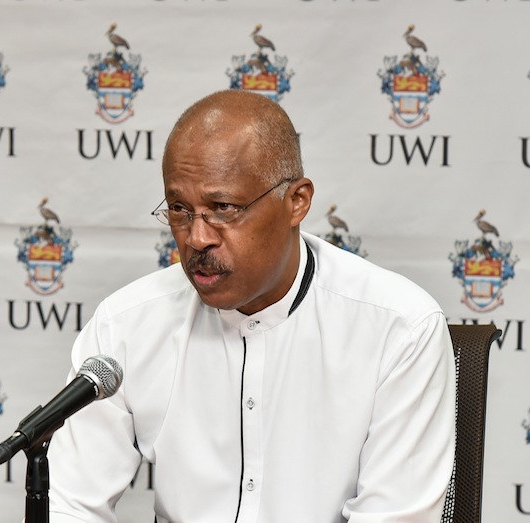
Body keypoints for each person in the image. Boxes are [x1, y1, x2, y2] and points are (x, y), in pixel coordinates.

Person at [46, 90, 455, 522]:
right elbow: (69, 505)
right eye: (180, 210)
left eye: (223, 208)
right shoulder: (125, 325)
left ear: (297, 201)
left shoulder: (399, 328)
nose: (197, 238)